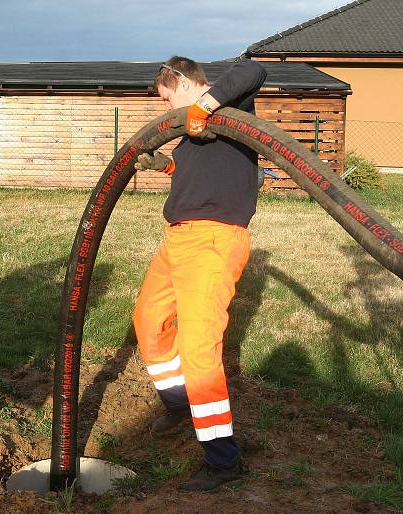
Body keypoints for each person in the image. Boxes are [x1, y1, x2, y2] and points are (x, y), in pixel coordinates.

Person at [131, 56, 267, 491]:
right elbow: (199, 176)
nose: (167, 107)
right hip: (177, 239)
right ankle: (178, 404)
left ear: (184, 82)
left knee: (198, 348)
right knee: (149, 323)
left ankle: (223, 459)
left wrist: (206, 104)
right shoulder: (190, 136)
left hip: (214, 241)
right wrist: (165, 166)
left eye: (168, 96)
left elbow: (253, 69)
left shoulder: (232, 112)